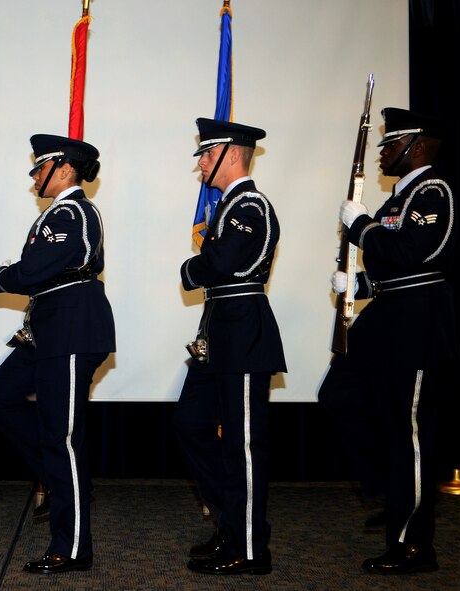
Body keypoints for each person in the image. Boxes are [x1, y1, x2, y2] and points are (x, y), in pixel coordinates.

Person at [318, 107, 457, 574]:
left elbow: (414, 254)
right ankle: (391, 486)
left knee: (412, 435)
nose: (382, 152)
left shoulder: (433, 192)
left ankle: (415, 546)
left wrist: (361, 226)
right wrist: (357, 286)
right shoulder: (397, 200)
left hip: (418, 324)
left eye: (390, 143)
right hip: (386, 319)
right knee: (338, 395)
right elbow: (389, 269)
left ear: (417, 146)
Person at [0, 134, 115, 574]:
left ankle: (73, 548)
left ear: (65, 168)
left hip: (72, 330)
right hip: (52, 330)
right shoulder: (61, 213)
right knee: (1, 396)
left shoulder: (72, 211)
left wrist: (5, 275)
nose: (35, 176)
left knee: (64, 438)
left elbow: (33, 270)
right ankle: (65, 480)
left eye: (41, 167)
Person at [173, 118, 285, 576]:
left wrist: (192, 266)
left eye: (207, 152)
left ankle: (251, 549)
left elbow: (218, 263)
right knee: (189, 423)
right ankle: (235, 523)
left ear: (232, 154)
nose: (200, 162)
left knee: (242, 445)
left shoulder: (249, 205)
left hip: (242, 333)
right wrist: (200, 267)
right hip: (220, 331)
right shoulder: (228, 207)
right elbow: (215, 266)